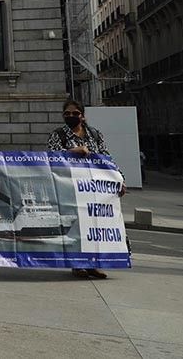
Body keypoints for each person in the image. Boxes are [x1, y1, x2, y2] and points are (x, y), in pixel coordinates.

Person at [47, 98, 124, 280]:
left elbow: (107, 159)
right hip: (71, 187)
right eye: (67, 114)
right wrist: (72, 152)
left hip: (95, 188)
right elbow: (51, 157)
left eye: (75, 113)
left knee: (95, 226)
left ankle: (93, 264)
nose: (71, 116)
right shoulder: (58, 135)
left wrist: (120, 179)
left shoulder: (95, 134)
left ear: (82, 116)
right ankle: (77, 264)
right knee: (76, 226)